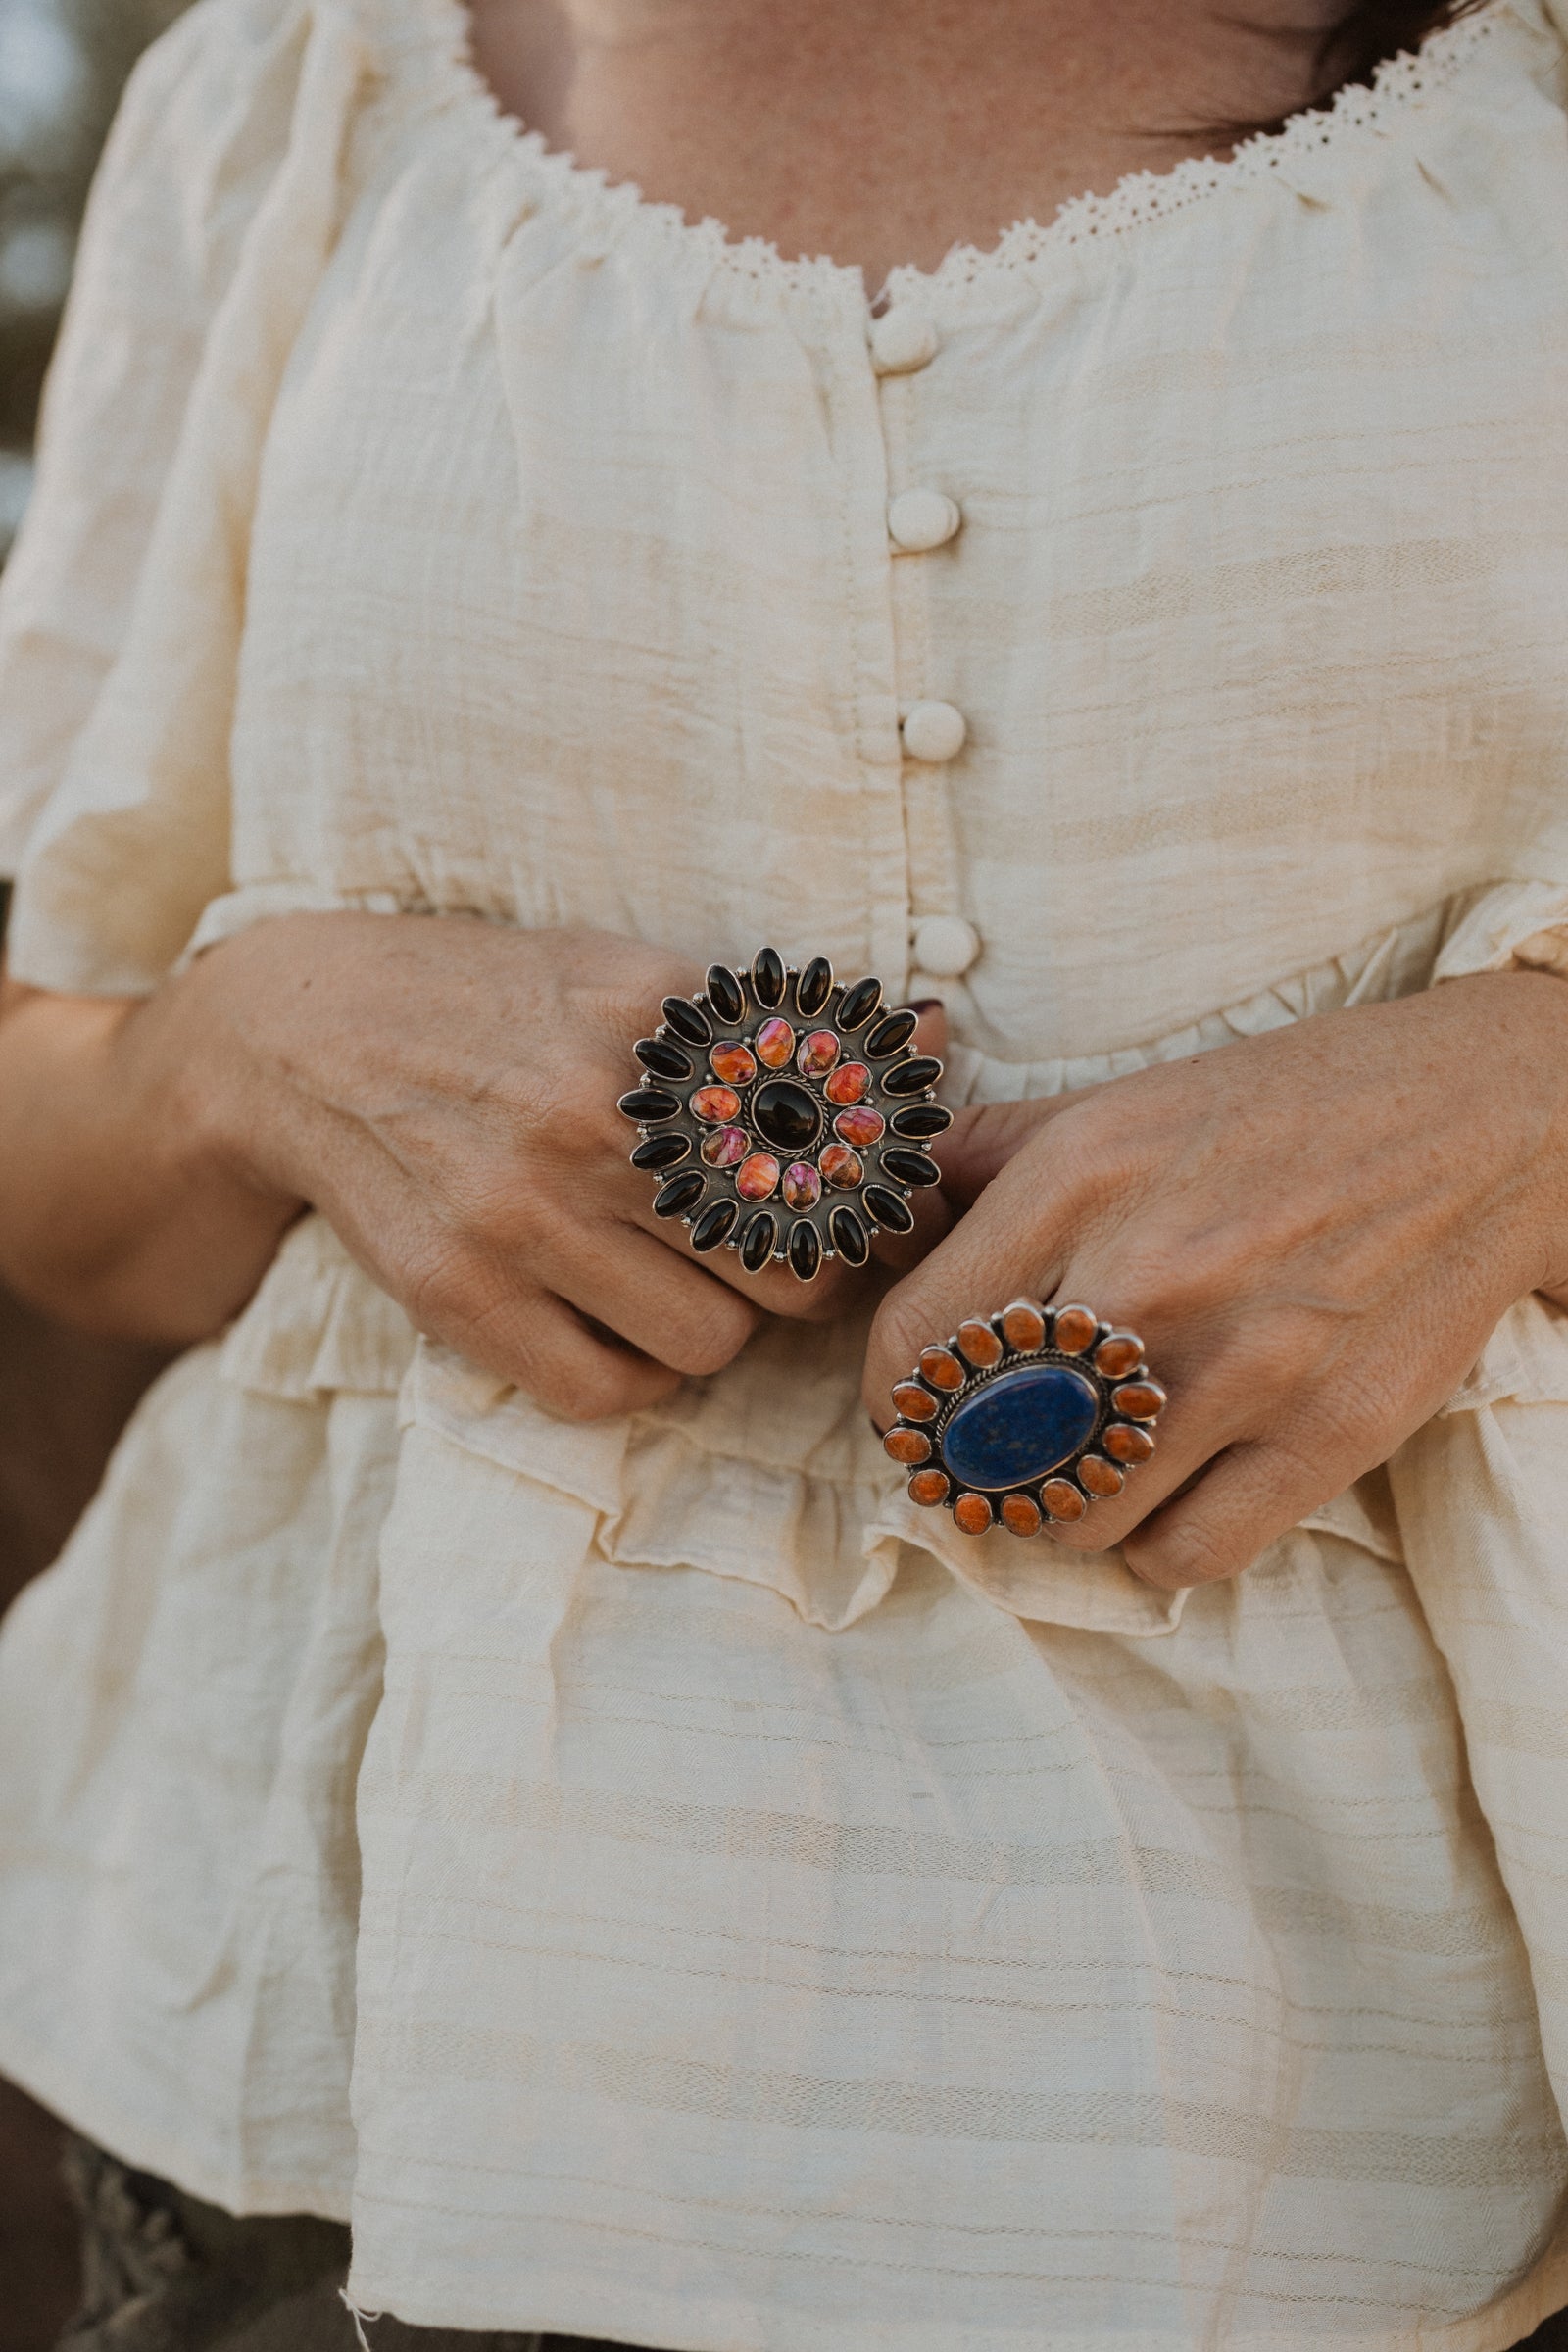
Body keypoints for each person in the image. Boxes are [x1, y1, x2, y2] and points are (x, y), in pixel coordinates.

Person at [4, 0, 1568, 2342]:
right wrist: (253, 1040)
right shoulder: (296, 86)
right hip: (368, 2082)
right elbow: (66, 1172)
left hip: (1423, 2126)